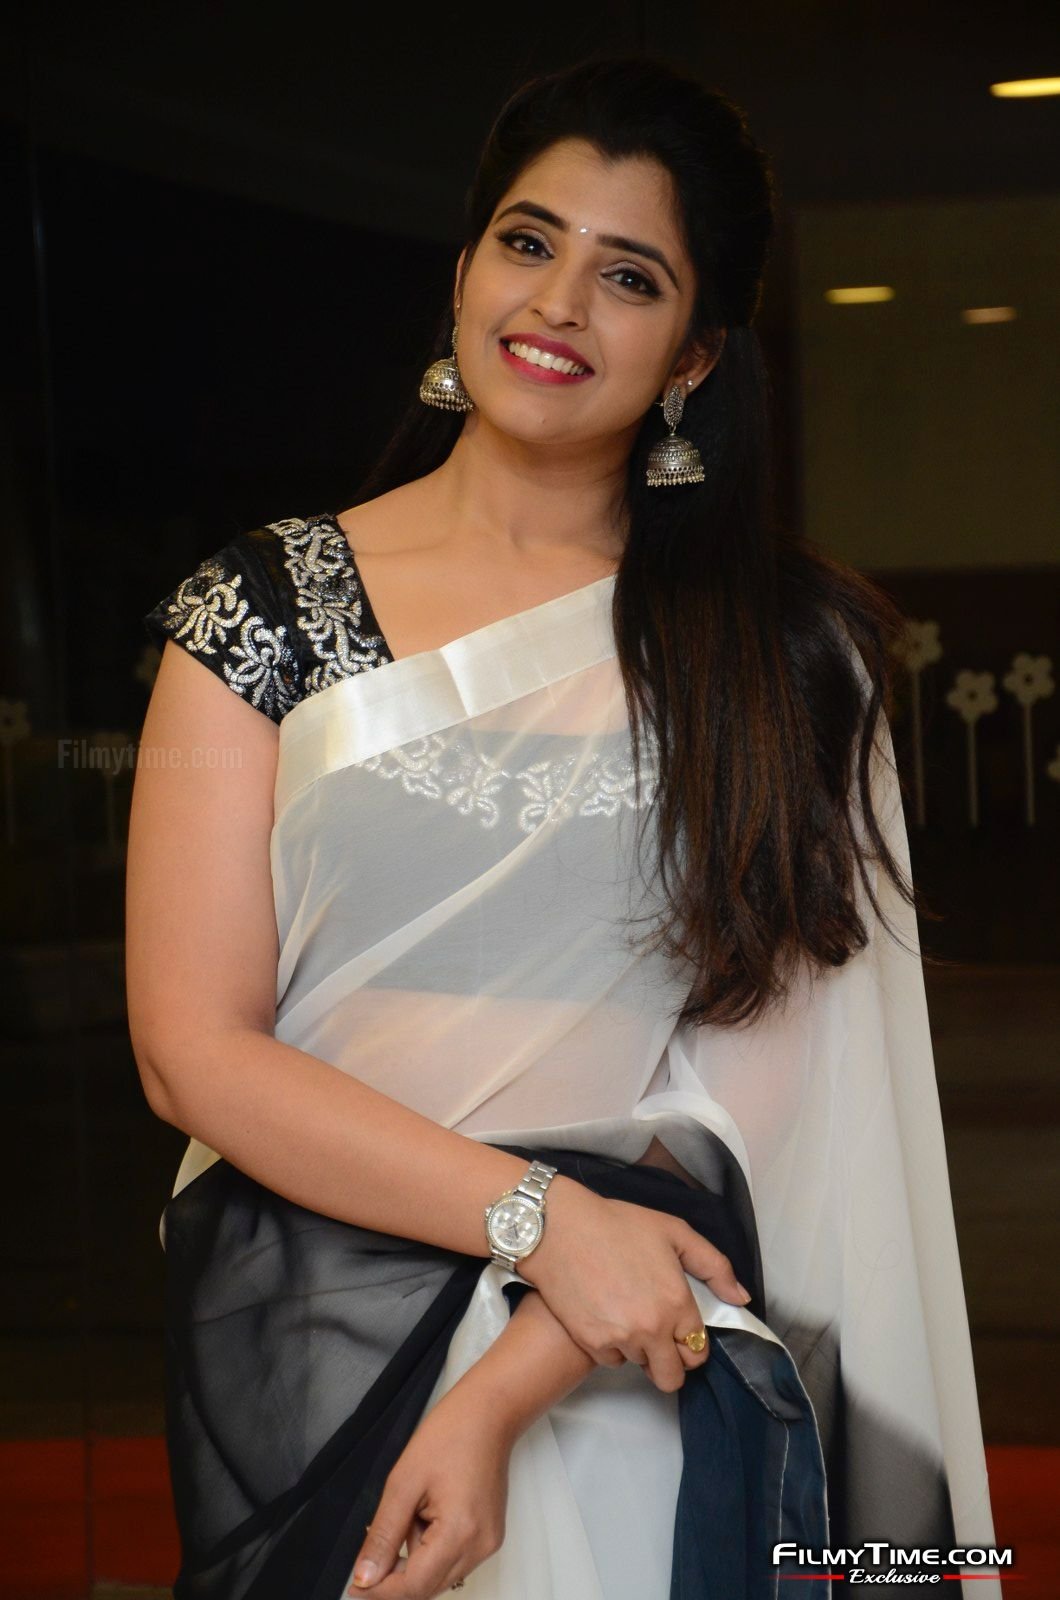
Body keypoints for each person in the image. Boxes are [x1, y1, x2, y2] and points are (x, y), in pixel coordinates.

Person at [126, 55, 1000, 1600]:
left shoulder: (785, 657)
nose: (558, 304)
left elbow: (757, 1114)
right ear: (465, 269)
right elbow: (192, 1050)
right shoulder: (259, 612)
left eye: (630, 276)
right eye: (528, 243)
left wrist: (510, 1373)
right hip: (316, 1340)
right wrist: (530, 1217)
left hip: (626, 1358)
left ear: (696, 354)